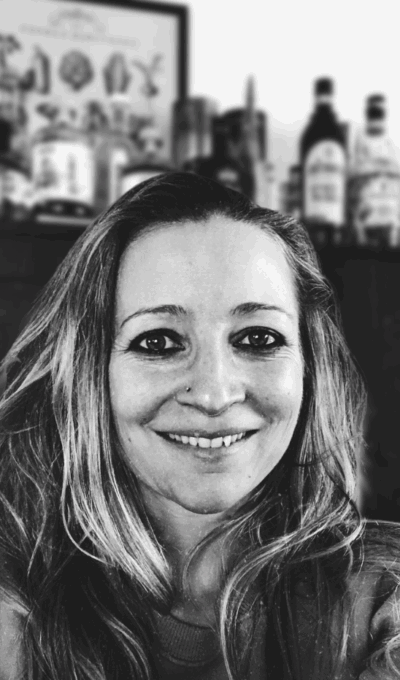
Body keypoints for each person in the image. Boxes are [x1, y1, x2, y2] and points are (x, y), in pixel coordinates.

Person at [0, 171, 400, 680]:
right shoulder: (14, 605)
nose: (213, 395)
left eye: (258, 338)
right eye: (158, 342)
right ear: (89, 371)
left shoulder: (385, 597)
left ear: (309, 366)